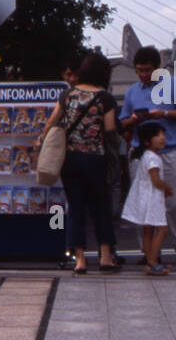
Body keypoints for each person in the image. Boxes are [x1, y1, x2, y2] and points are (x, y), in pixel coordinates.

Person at [38, 50, 120, 275]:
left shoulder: (68, 95)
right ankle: (105, 257)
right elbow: (111, 132)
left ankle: (80, 260)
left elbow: (51, 123)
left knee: (75, 209)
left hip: (71, 160)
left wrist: (41, 141)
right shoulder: (106, 99)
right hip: (96, 159)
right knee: (101, 208)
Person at [119, 45, 176, 250]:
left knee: (173, 203)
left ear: (158, 67)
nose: (143, 74)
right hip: (141, 153)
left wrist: (164, 114)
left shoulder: (172, 86)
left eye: (148, 69)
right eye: (140, 70)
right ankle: (148, 251)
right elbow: (121, 122)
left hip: (170, 150)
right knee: (143, 203)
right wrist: (134, 119)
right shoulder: (132, 92)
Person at [121, 122, 173, 275]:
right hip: (152, 199)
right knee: (162, 229)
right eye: (157, 135)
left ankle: (150, 261)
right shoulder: (153, 158)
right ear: (146, 141)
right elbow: (156, 180)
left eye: (163, 135)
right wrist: (168, 188)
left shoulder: (146, 155)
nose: (162, 138)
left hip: (145, 197)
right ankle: (153, 261)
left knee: (148, 231)